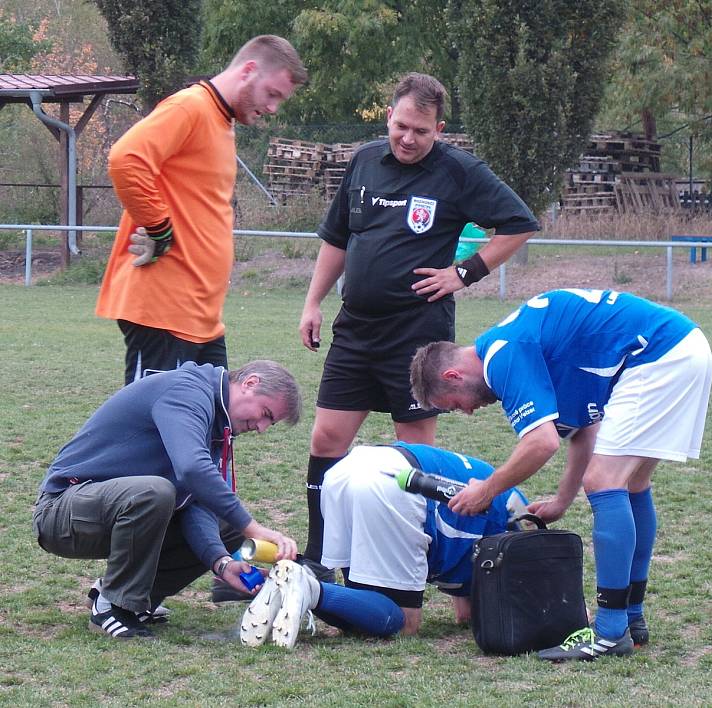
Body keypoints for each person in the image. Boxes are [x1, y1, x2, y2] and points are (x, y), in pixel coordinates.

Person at [297, 72, 540, 571]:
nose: (408, 138)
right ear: (389, 115)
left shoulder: (459, 172)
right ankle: (321, 556)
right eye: (402, 126)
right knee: (326, 441)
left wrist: (463, 273)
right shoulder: (364, 160)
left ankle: (406, 561)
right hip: (355, 329)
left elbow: (520, 223)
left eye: (421, 131)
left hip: (416, 337)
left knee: (412, 454)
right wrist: (313, 301)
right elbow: (337, 238)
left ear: (439, 129)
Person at [409, 288, 712, 661]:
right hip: (678, 347)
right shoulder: (519, 346)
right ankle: (631, 619)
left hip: (657, 355)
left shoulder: (502, 355)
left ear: (453, 375)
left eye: (455, 405)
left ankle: (609, 631)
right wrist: (562, 500)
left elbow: (542, 443)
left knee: (604, 481)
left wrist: (487, 490)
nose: (468, 412)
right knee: (633, 483)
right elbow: (584, 431)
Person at [32, 360, 302, 639]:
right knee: (154, 492)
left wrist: (222, 563)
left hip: (110, 510)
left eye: (271, 422)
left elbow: (198, 502)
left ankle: (134, 597)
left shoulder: (219, 423)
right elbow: (192, 468)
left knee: (224, 520)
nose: (261, 428)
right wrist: (253, 528)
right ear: (250, 383)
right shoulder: (187, 391)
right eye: (266, 414)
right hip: (62, 510)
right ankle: (113, 606)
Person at [96, 35, 307, 385]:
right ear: (249, 70)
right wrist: (158, 228)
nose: (273, 108)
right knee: (151, 433)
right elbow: (126, 158)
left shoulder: (221, 120)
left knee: (211, 428)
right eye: (272, 94)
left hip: (202, 319)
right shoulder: (191, 106)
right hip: (165, 311)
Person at [239, 443, 529, 649]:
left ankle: (288, 584)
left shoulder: (504, 502)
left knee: (363, 612)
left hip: (349, 469)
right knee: (403, 623)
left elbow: (464, 609)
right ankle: (308, 588)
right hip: (398, 486)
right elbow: (469, 615)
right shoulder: (510, 529)